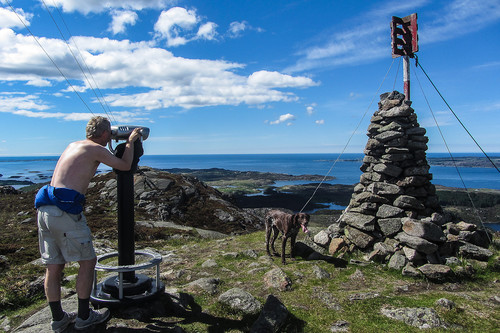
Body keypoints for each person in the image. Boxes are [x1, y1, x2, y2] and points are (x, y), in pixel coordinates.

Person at [35, 116, 142, 332]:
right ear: (104, 134)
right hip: (65, 212)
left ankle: (58, 319)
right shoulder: (96, 149)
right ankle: (84, 316)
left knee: (54, 267)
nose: (111, 135)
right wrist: (130, 142)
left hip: (45, 209)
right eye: (110, 132)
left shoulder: (74, 145)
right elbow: (124, 164)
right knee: (87, 261)